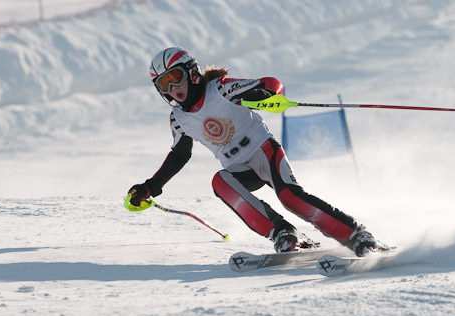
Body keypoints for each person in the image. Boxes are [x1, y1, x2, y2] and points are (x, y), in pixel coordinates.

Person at [128, 46, 388, 256]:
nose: (173, 88)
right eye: (164, 84)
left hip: (263, 151)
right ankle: (282, 232)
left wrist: (263, 94)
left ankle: (357, 235)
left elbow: (271, 83)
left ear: (191, 72)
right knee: (220, 182)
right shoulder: (179, 119)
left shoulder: (220, 88)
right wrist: (151, 186)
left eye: (175, 77)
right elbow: (179, 155)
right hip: (238, 168)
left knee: (290, 197)